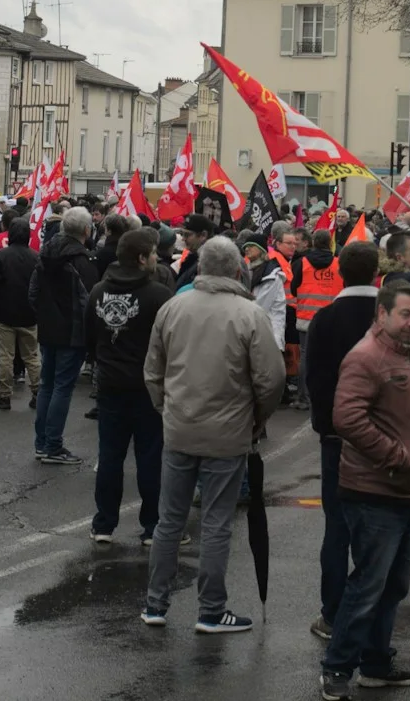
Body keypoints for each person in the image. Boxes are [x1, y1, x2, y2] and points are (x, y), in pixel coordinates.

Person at [142, 237, 284, 633]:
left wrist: (166, 409)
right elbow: (271, 380)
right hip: (228, 432)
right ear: (239, 269)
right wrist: (256, 420)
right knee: (216, 523)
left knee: (169, 520)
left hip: (180, 427)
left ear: (201, 267)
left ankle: (155, 603)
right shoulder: (249, 314)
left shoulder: (173, 307)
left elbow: (153, 371)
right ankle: (210, 610)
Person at [318, 281, 410, 699]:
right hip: (374, 489)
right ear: (381, 314)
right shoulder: (366, 357)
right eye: (405, 314)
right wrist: (396, 456)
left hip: (401, 489)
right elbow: (346, 418)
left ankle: (376, 663)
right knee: (369, 584)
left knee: (392, 585)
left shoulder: (407, 353)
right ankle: (337, 668)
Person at [303, 241, 383, 641]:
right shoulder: (387, 318)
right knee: (378, 529)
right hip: (382, 437)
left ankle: (333, 613)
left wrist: (325, 425)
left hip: (336, 435)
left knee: (337, 528)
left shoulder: (325, 318)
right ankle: (372, 612)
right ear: (376, 272)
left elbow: (313, 377)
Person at [85, 228, 172, 544]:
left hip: (109, 385)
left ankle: (104, 524)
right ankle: (152, 525)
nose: (156, 259)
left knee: (110, 455)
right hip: (148, 388)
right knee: (150, 457)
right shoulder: (159, 295)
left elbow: (90, 339)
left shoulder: (97, 292)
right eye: (152, 253)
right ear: (141, 258)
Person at [31, 207, 101, 465]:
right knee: (61, 387)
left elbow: (33, 293)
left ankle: (43, 443)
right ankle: (52, 445)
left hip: (49, 329)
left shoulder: (45, 254)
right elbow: (89, 301)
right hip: (72, 332)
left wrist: (44, 315)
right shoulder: (83, 261)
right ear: (86, 230)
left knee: (48, 385)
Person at [0, 217, 40, 411]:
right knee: (31, 356)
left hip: (4, 313)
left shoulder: (0, 256)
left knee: (5, 356)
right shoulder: (36, 257)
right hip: (29, 313)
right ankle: (37, 392)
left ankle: (5, 395)